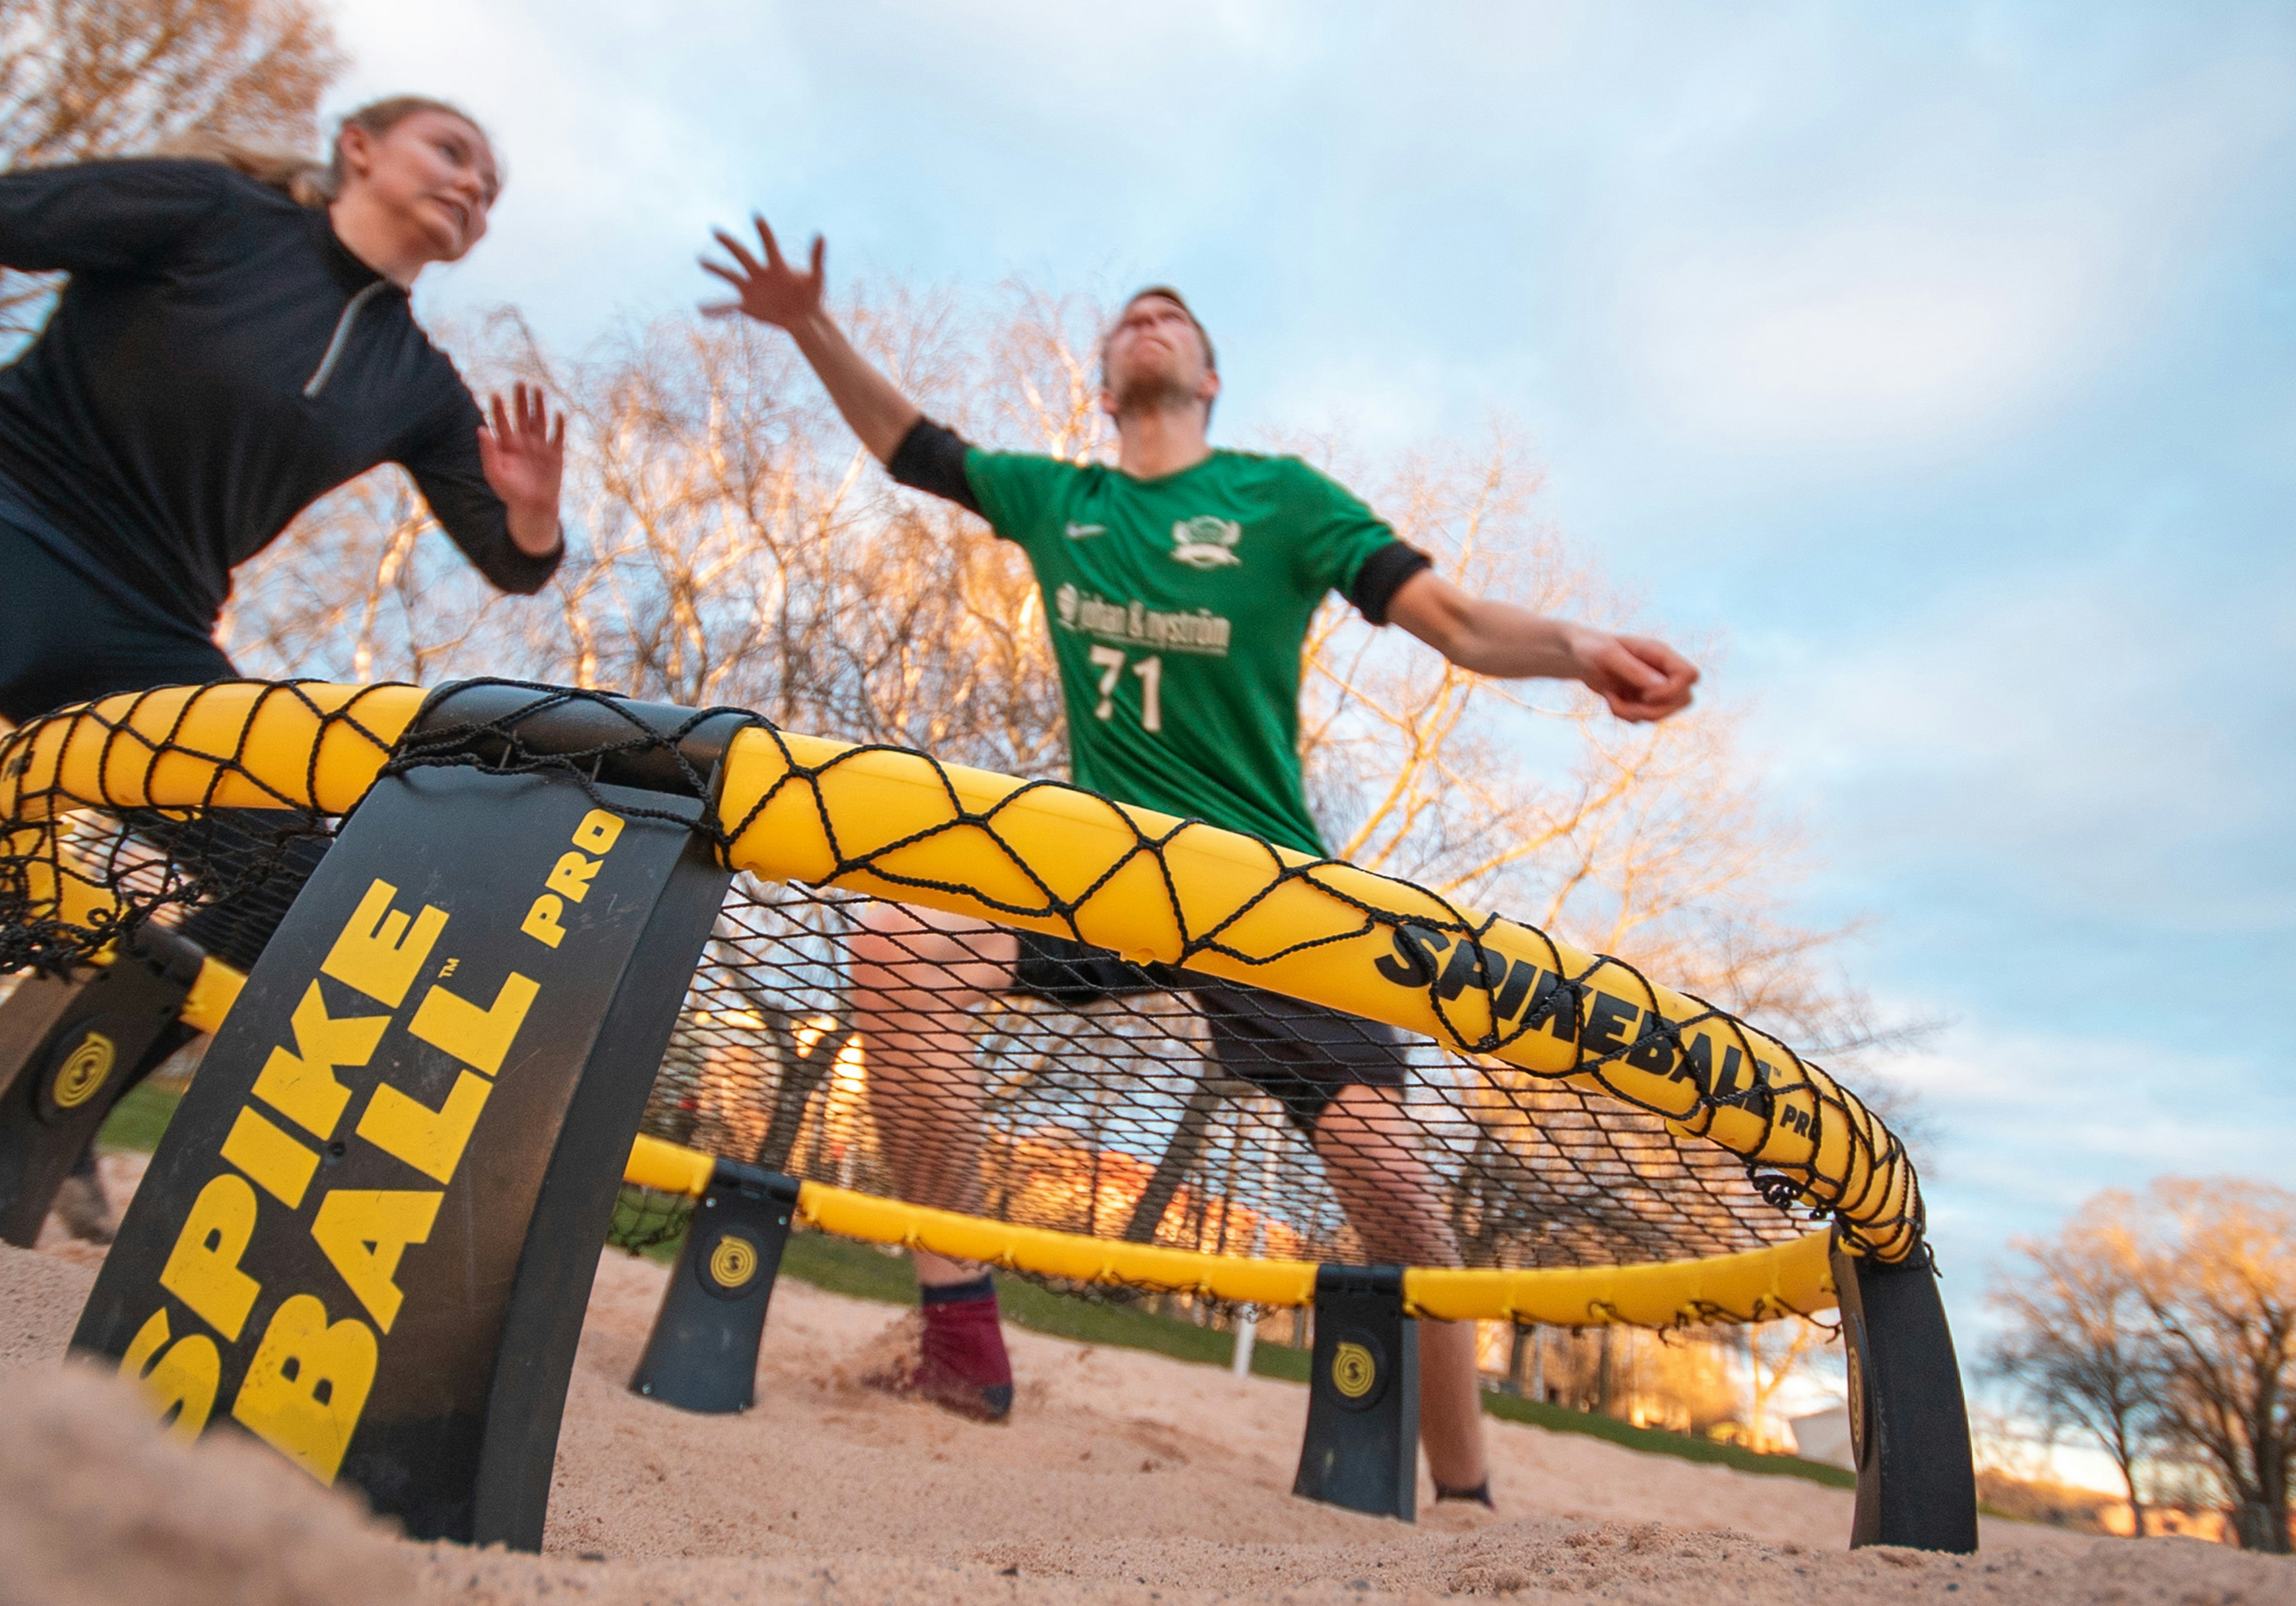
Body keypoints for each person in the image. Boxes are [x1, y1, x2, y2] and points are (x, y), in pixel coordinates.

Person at [702, 219, 1697, 1506]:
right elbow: (913, 450)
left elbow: (1449, 620)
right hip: (1099, 867)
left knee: (1392, 1182)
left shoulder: (1279, 499)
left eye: (1177, 315)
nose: (1152, 319)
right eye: (1132, 316)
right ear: (1104, 385)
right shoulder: (1065, 500)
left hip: (1269, 892)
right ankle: (961, 1341)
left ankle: (1464, 1494)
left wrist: (1579, 647)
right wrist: (809, 328)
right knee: (897, 947)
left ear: (1212, 379)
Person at [0, 96, 568, 780]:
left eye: (488, 192)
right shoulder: (216, 208)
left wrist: (533, 510)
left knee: (290, 878)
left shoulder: (420, 384)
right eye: (450, 153)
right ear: (359, 148)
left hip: (149, 621)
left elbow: (515, 561)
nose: (473, 188)